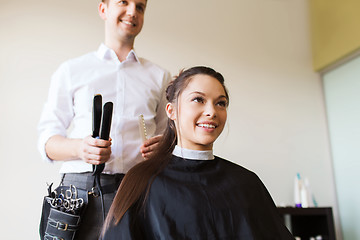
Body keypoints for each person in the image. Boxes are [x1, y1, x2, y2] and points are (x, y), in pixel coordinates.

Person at [101, 66, 294, 239]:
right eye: (198, 100)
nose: (211, 111)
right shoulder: (142, 181)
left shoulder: (247, 183)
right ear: (171, 111)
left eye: (221, 103)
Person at [37, 0, 171, 239]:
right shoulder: (71, 71)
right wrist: (80, 148)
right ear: (103, 9)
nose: (132, 11)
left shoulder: (160, 77)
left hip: (137, 193)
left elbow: (168, 142)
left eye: (140, 7)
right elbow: (46, 142)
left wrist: (163, 149)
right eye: (123, 2)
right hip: (78, 195)